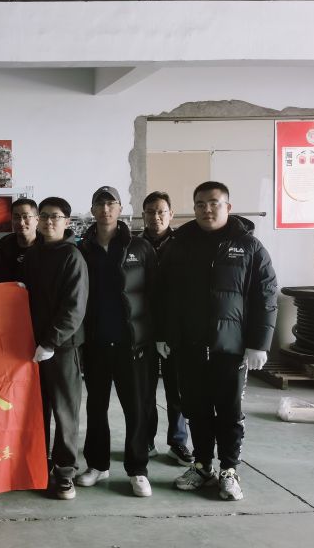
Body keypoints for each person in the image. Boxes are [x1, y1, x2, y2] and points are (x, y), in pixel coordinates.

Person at [159, 181, 277, 501]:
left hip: (231, 347)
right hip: (190, 345)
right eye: (200, 204)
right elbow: (166, 295)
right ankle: (201, 466)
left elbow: (266, 296)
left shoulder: (249, 246)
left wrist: (259, 343)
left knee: (229, 410)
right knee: (196, 409)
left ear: (228, 206)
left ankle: (229, 469)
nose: (206, 209)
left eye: (213, 203)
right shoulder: (180, 244)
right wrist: (164, 335)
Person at [76, 186, 156, 498]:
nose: (105, 209)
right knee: (96, 407)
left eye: (111, 203)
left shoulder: (139, 247)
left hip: (131, 344)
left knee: (136, 409)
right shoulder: (83, 248)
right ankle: (97, 465)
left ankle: (138, 469)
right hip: (96, 342)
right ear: (92, 210)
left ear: (120, 208)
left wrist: (155, 336)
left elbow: (156, 293)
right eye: (100, 204)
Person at [23, 197, 88, 501]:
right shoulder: (33, 254)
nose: (49, 222)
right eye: (44, 216)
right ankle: (39, 465)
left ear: (67, 222)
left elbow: (74, 308)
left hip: (61, 348)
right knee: (36, 412)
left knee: (64, 413)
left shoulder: (72, 256)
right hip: (31, 347)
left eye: (56, 217)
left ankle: (65, 472)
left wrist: (51, 341)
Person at [140, 191, 193, 466]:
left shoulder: (184, 245)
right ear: (143, 215)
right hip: (143, 329)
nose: (156, 217)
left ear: (171, 214)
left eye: (161, 211)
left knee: (177, 390)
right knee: (145, 390)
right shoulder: (134, 246)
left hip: (176, 330)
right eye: (150, 212)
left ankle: (178, 442)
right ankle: (146, 440)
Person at [0, 198, 42, 283]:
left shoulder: (47, 245)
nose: (21, 222)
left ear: (37, 220)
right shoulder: (4, 245)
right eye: (16, 217)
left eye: (26, 217)